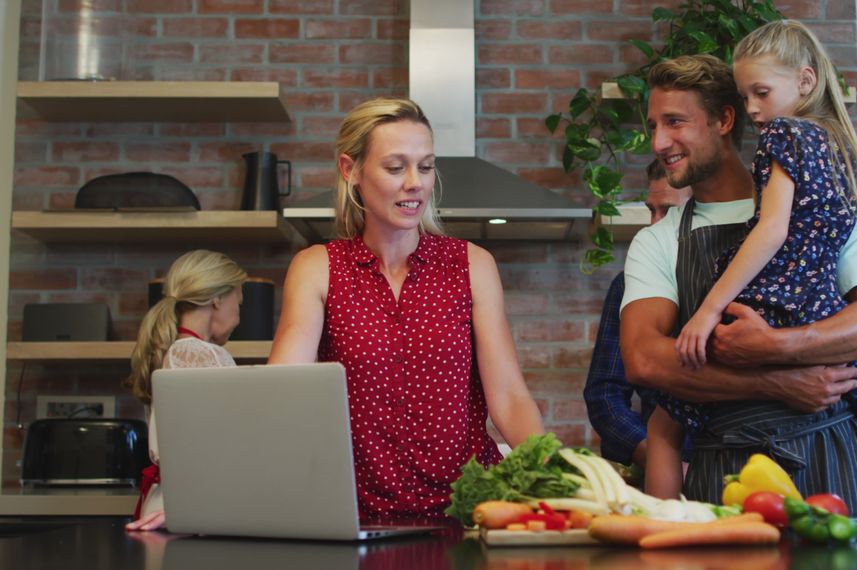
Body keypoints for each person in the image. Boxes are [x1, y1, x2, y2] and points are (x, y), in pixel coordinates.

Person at [622, 53, 857, 514]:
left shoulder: (810, 212)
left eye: (675, 122)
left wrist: (775, 347)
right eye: (653, 126)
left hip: (842, 470)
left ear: (725, 120)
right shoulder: (657, 241)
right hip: (723, 481)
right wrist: (778, 382)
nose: (659, 142)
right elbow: (645, 360)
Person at [267, 97, 545, 520]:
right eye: (395, 167)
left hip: (468, 514)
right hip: (357, 517)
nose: (415, 182)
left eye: (426, 166)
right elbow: (282, 397)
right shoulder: (317, 269)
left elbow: (508, 397)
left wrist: (562, 475)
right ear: (351, 170)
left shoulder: (472, 265)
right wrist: (213, 491)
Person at [123, 249, 247, 531]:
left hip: (169, 501)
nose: (239, 318)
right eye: (239, 304)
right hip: (191, 505)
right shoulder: (202, 354)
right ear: (217, 299)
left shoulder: (172, 350)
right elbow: (221, 450)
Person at [583, 160, 691, 470]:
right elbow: (604, 393)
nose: (654, 223)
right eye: (651, 210)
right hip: (660, 469)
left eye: (668, 211)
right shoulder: (628, 285)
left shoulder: (743, 280)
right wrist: (655, 457)